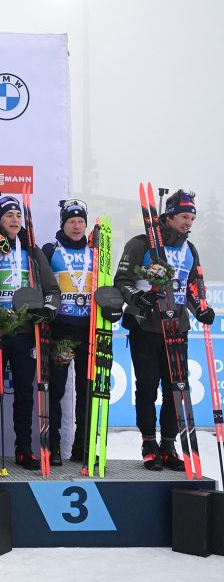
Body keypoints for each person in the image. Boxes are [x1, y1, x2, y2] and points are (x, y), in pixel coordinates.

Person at [114, 189, 213, 470]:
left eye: (192, 218)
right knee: (146, 387)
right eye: (184, 216)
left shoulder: (189, 250)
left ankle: (169, 444)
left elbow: (192, 287)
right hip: (145, 326)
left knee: (176, 389)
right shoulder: (141, 243)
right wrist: (138, 297)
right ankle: (149, 443)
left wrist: (201, 309)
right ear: (168, 216)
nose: (188, 223)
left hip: (176, 327)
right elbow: (122, 279)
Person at [0, 195, 60, 470]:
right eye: (9, 215)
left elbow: (51, 290)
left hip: (26, 331)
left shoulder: (32, 250)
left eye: (18, 215)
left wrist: (47, 310)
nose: (15, 220)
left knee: (25, 391)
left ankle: (24, 449)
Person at [40, 199, 93, 465]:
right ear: (63, 224)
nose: (76, 226)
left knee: (87, 388)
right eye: (71, 221)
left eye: (81, 221)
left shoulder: (95, 251)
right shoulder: (52, 249)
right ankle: (54, 447)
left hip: (89, 332)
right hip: (62, 331)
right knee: (57, 388)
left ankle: (83, 446)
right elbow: (42, 285)